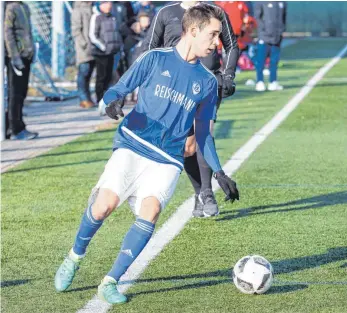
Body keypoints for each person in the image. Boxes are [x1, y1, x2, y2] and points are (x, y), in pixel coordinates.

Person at [54, 3, 239, 305]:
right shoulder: (154, 58)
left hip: (167, 158)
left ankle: (111, 281)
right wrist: (112, 102)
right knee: (103, 206)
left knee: (150, 212)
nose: (217, 42)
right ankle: (75, 256)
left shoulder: (207, 82)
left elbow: (203, 134)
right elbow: (119, 88)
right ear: (193, 30)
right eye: (213, 34)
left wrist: (218, 172)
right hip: (133, 143)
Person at [141, 1, 239, 218]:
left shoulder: (216, 12)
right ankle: (199, 192)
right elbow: (150, 48)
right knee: (187, 146)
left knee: (205, 134)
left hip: (209, 84)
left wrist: (229, 75)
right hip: (175, 87)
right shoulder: (166, 13)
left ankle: (207, 193)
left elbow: (232, 45)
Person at [4, 1, 38, 140]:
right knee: (15, 93)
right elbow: (8, 34)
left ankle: (11, 125)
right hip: (16, 57)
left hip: (26, 56)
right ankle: (16, 129)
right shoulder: (10, 8)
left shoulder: (24, 6)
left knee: (21, 93)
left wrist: (32, 50)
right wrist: (14, 56)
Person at [89, 1, 122, 104]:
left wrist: (118, 46)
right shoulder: (97, 17)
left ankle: (106, 98)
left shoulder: (113, 17)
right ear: (101, 5)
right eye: (106, 3)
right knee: (101, 76)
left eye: (110, 3)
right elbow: (93, 36)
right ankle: (99, 99)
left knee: (109, 76)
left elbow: (117, 33)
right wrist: (104, 47)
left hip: (112, 52)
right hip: (101, 53)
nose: (109, 5)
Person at [254, 1, 286, 92]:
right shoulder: (261, 2)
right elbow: (258, 18)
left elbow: (283, 18)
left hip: (277, 38)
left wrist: (281, 31)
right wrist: (264, 31)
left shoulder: (282, 3)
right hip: (264, 37)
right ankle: (260, 82)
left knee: (274, 61)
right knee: (260, 61)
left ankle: (273, 82)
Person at [71, 2, 95, 109]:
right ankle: (83, 99)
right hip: (84, 48)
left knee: (89, 73)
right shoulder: (78, 10)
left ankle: (88, 98)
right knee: (83, 72)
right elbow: (76, 30)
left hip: (94, 47)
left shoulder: (93, 8)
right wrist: (83, 43)